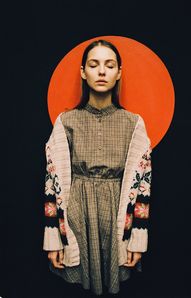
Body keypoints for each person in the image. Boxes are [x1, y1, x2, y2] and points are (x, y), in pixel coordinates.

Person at [43, 39, 152, 296]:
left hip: (117, 212)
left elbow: (143, 185)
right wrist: (53, 239)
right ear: (83, 72)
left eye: (109, 65)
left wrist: (137, 238)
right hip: (77, 214)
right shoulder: (66, 121)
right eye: (94, 65)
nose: (101, 71)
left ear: (118, 73)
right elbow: (52, 182)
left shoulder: (133, 124)